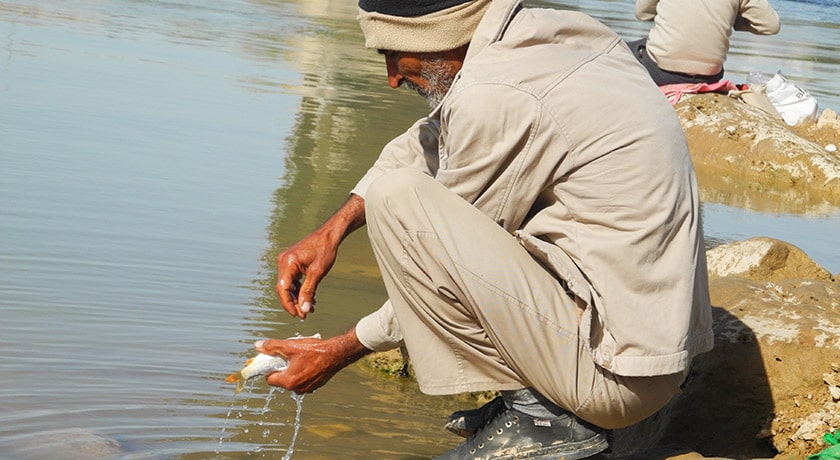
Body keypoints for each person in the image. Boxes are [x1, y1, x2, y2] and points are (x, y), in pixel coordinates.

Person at [257, 0, 714, 458]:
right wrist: (335, 228)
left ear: (432, 39)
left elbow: (440, 268)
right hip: (654, 352)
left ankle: (545, 418)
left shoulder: (496, 95)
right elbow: (433, 136)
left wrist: (340, 349)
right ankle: (533, 398)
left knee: (399, 201)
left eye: (394, 56)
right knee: (401, 197)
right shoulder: (548, 33)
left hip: (616, 381)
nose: (393, 77)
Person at [628, 0, 781, 86]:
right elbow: (771, 26)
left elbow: (642, 13)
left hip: (662, 72)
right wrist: (733, 20)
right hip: (710, 76)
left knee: (621, 50)